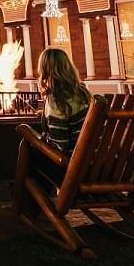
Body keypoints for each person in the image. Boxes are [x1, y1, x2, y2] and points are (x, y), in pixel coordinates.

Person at [31, 48, 92, 189]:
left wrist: (36, 140)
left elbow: (60, 146)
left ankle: (30, 208)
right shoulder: (83, 93)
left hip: (73, 169)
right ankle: (35, 206)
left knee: (29, 152)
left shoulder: (56, 100)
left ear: (45, 70)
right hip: (93, 164)